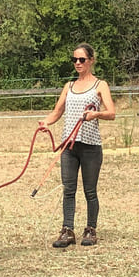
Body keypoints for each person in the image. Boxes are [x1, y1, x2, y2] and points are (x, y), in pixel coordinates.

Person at [38, 43, 116, 247]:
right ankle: (67, 230)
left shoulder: (101, 85)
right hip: (69, 147)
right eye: (74, 60)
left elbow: (112, 113)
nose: (77, 63)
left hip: (90, 146)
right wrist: (46, 122)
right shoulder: (68, 86)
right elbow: (57, 111)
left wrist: (96, 114)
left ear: (91, 60)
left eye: (81, 59)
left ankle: (91, 229)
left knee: (90, 190)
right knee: (68, 189)